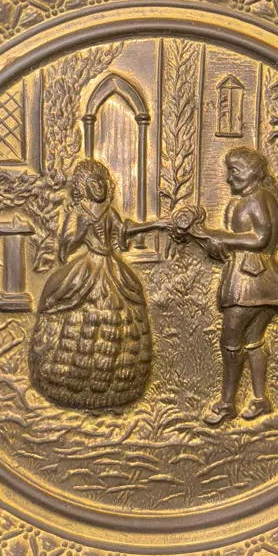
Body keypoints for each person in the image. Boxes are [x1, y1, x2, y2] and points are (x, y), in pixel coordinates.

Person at [29, 159, 166, 410]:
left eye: (102, 182)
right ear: (83, 187)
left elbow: (124, 232)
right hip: (87, 267)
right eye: (93, 183)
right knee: (60, 296)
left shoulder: (108, 212)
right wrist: (81, 231)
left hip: (111, 267)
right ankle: (66, 380)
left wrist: (157, 224)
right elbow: (65, 248)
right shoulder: (78, 212)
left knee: (131, 298)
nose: (99, 187)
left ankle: (118, 384)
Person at [178, 148, 278, 424]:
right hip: (253, 276)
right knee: (253, 340)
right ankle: (260, 399)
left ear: (253, 173)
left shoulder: (258, 199)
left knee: (230, 342)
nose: (229, 178)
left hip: (250, 282)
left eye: (235, 171)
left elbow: (260, 238)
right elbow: (232, 243)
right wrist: (205, 238)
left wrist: (219, 236)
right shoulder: (251, 199)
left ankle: (227, 404)